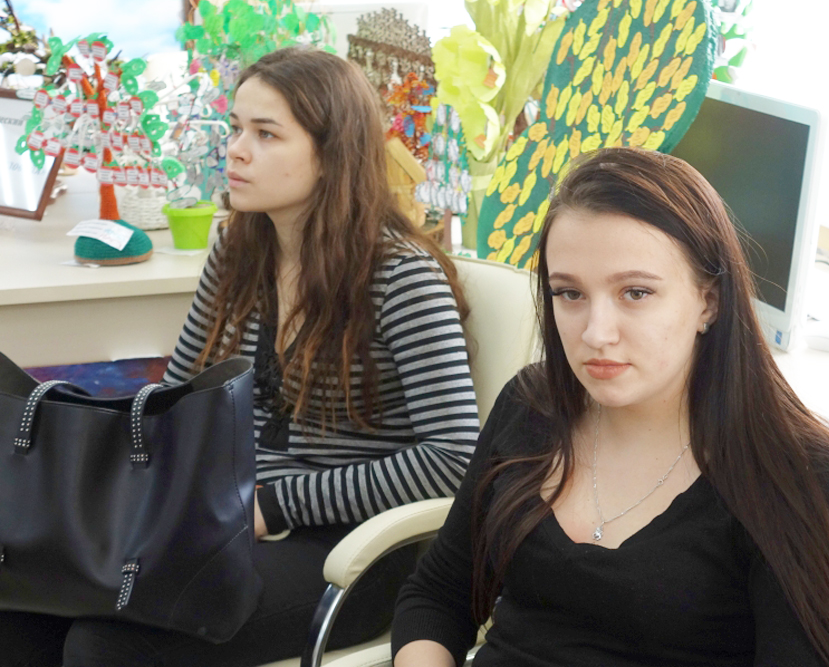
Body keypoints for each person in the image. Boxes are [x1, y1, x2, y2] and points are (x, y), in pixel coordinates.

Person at [0, 47, 479, 667]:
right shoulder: (235, 254)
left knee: (107, 644)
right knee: (23, 606)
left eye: (265, 134)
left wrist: (274, 506)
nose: (235, 151)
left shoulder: (400, 277)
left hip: (352, 551)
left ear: (332, 155)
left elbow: (454, 460)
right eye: (235, 128)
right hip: (222, 525)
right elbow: (175, 403)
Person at [392, 147, 829, 667]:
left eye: (635, 293)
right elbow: (438, 594)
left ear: (708, 302)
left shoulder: (790, 473)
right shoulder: (532, 406)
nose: (597, 333)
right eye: (569, 294)